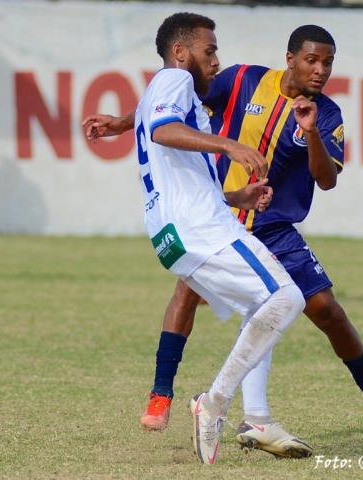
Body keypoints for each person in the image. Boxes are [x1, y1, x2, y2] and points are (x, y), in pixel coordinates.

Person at [84, 24, 363, 457]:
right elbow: (173, 109)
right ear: (291, 58)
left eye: (328, 63)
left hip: (273, 226)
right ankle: (162, 395)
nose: (320, 71)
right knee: (189, 295)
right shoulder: (243, 79)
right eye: (312, 60)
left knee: (328, 312)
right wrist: (124, 124)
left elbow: (327, 180)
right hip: (222, 215)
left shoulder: (328, 114)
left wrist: (312, 132)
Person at [132, 12, 307, 465]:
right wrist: (229, 146)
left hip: (174, 235)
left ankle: (259, 418)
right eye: (209, 50)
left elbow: (178, 174)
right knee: (288, 298)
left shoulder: (159, 90)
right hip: (200, 229)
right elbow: (164, 132)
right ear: (179, 51)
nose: (216, 60)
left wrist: (235, 196)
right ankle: (214, 402)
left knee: (261, 307)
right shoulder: (174, 82)